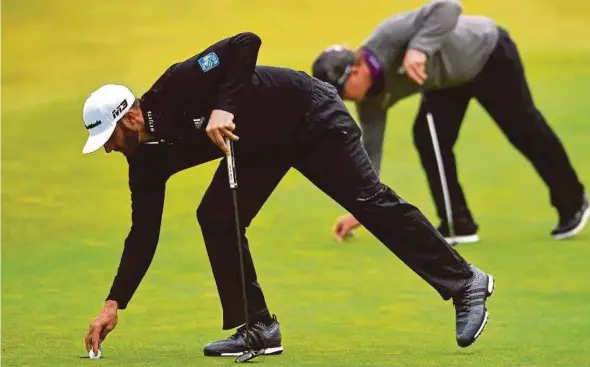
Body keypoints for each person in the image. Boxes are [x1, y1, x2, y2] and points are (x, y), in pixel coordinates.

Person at [82, 32, 495, 359]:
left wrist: (223, 108)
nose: (108, 148)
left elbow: (245, 43)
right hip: (260, 146)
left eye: (110, 136)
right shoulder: (145, 163)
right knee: (217, 217)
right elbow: (142, 234)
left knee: (367, 201)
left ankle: (466, 283)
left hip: (310, 114)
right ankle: (258, 327)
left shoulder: (177, 83)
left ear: (132, 117)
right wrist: (114, 302)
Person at [312, 0, 588, 245]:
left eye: (341, 89)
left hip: (486, 53)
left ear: (357, 70)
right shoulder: (369, 104)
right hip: (445, 83)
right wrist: (361, 210)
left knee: (524, 130)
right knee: (428, 138)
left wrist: (419, 49)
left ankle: (573, 202)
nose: (343, 99)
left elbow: (449, 7)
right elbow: (370, 154)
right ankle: (457, 225)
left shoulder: (389, 34)